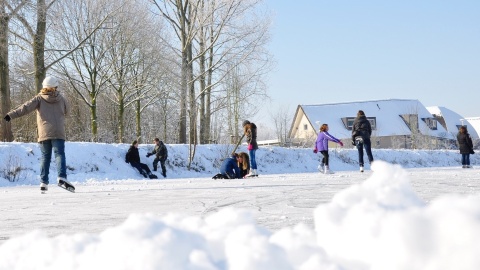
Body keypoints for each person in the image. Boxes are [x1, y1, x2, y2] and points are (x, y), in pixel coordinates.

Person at [3, 76, 71, 192]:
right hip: (59, 132)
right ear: (55, 86)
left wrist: (11, 115)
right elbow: (67, 111)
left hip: (44, 132)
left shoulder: (39, 99)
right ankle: (61, 177)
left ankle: (43, 182)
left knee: (45, 157)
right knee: (59, 154)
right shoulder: (62, 98)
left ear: (44, 87)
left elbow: (25, 108)